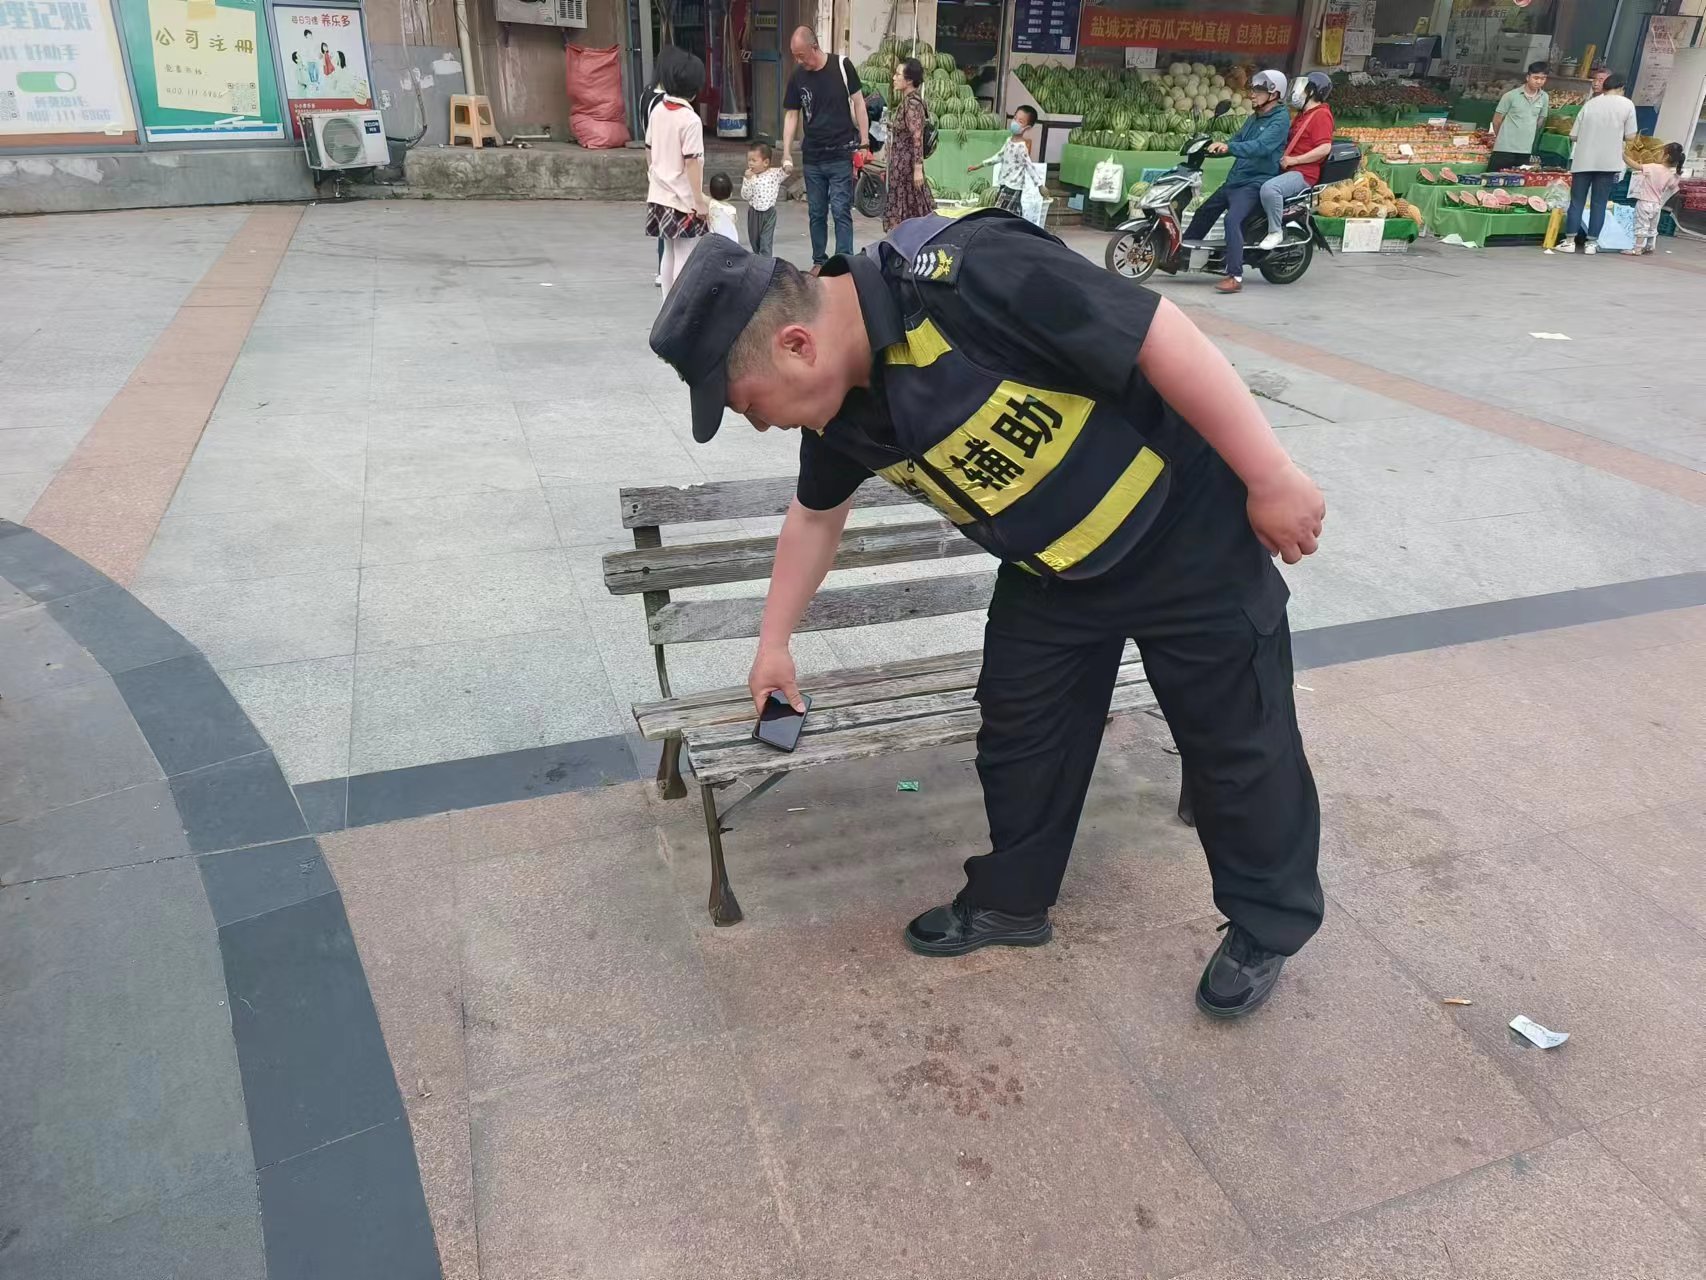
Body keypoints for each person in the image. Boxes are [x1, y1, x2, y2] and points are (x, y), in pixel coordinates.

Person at [648, 213, 1327, 1021]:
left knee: (1240, 742)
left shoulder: (971, 275)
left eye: (750, 406)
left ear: (797, 345)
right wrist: (773, 646)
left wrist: (1270, 475)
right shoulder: (843, 407)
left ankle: (1264, 925)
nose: (763, 424)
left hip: (1187, 531)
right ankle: (1013, 900)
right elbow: (815, 516)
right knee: (1021, 732)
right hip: (1053, 571)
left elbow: (1156, 332)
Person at [1182, 69, 1290, 294]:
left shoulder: (1280, 120)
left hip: (1255, 182)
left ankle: (1235, 276)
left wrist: (1230, 147)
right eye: (1253, 90)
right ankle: (1182, 256)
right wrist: (1212, 148)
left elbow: (1261, 147)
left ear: (1274, 94)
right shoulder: (1254, 118)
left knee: (1233, 220)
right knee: (1205, 211)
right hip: (1236, 178)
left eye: (1258, 91)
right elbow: (1237, 141)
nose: (1252, 95)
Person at [781, 27, 870, 268]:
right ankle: (819, 261)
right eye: (795, 56)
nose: (798, 61)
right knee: (816, 212)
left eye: (801, 55)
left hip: (840, 153)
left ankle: (844, 261)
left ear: (814, 47)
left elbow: (859, 103)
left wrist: (864, 141)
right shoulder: (797, 76)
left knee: (841, 209)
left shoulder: (842, 66)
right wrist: (787, 152)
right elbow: (792, 114)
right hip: (813, 156)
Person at [644, 52, 709, 293]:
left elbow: (648, 149)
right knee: (685, 252)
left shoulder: (657, 111)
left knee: (669, 251)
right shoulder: (690, 120)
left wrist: (654, 175)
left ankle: (667, 304)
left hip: (659, 194)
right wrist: (699, 201)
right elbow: (692, 163)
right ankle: (679, 304)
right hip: (682, 198)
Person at [1563, 72, 1638, 254]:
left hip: (1583, 160)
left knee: (1577, 201)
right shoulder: (1627, 105)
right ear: (1621, 88)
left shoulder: (1590, 104)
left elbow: (1573, 135)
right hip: (1609, 162)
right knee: (1599, 203)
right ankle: (1591, 243)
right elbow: (1631, 136)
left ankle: (1569, 241)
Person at [1257, 72, 1334, 250]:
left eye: (1302, 87)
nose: (1297, 92)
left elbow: (1324, 148)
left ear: (1312, 92)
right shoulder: (1303, 114)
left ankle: (1275, 231)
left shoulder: (1321, 115)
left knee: (1270, 189)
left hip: (1303, 174)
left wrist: (1295, 160)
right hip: (1288, 169)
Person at [643, 48, 687, 286]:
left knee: (666, 237)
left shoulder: (646, 94)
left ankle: (663, 274)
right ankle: (671, 281)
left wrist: (651, 170)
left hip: (656, 171)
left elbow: (647, 143)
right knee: (677, 242)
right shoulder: (665, 103)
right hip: (670, 174)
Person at [884, 58, 935, 231]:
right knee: (905, 206)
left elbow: (917, 136)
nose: (894, 78)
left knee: (912, 207)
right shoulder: (908, 101)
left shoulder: (912, 104)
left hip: (907, 167)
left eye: (898, 74)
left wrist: (918, 168)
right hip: (901, 165)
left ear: (909, 80)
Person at [968, 105, 1038, 214]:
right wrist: (979, 165)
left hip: (1014, 187)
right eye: (1015, 118)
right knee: (1008, 213)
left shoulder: (1021, 147)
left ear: (1027, 128)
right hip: (1004, 184)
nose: (1015, 123)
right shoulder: (1009, 141)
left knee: (1002, 213)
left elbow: (1029, 166)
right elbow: (998, 156)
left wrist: (1039, 185)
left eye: (1020, 121)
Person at [1626, 141, 1684, 256]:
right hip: (1657, 204)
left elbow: (1635, 166)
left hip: (1644, 202)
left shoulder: (1653, 167)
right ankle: (1650, 246)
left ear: (1666, 156)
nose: (1658, 154)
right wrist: (1678, 175)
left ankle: (1637, 249)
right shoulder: (1670, 174)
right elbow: (1673, 186)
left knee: (1641, 225)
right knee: (1652, 226)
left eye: (1660, 152)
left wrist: (1624, 156)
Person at [1489, 62, 1550, 171]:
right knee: (1494, 177)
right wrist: (1502, 138)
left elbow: (1541, 119)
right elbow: (1496, 120)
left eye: (1543, 78)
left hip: (1525, 150)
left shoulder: (1544, 97)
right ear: (1528, 77)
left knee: (1519, 179)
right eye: (1536, 78)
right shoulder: (1510, 96)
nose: (1539, 81)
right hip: (1504, 148)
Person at [741, 142, 785, 255]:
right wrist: (747, 180)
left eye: (754, 160)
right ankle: (758, 259)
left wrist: (787, 161)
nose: (750, 163)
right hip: (754, 213)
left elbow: (786, 171)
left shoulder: (774, 174)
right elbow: (745, 196)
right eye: (749, 160)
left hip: (769, 213)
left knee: (766, 242)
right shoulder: (750, 176)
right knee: (754, 241)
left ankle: (765, 262)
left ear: (766, 162)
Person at [707, 173, 739, 241]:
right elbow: (731, 223)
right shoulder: (731, 210)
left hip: (713, 239)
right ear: (730, 193)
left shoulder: (710, 204)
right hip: (728, 240)